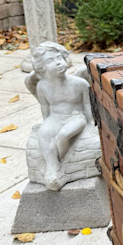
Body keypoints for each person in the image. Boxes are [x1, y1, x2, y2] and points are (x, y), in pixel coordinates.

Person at [29, 41, 93, 190]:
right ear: (42, 67)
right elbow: (45, 107)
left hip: (76, 116)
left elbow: (88, 105)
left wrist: (91, 124)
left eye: (59, 58)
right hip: (55, 117)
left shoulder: (80, 83)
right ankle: (53, 169)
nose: (58, 63)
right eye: (50, 61)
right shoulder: (42, 86)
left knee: (64, 135)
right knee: (44, 134)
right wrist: (45, 124)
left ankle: (54, 166)